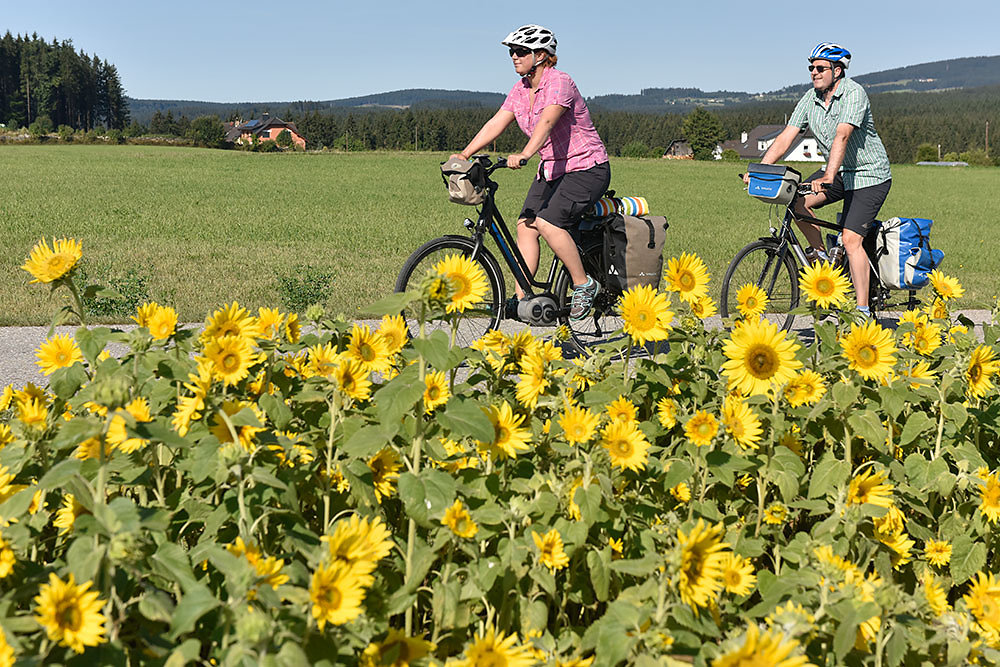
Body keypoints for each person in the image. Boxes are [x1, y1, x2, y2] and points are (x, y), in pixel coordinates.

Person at [451, 24, 611, 320]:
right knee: (526, 225)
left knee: (548, 223)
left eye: (521, 51)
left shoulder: (560, 82)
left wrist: (525, 154)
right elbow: (496, 123)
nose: (513, 56)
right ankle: (524, 298)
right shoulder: (521, 88)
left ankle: (584, 284)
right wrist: (464, 154)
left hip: (587, 168)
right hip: (552, 169)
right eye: (512, 51)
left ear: (541, 55)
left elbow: (547, 123)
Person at [749, 42, 892, 318]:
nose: (814, 72)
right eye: (811, 67)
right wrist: (760, 169)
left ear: (837, 71)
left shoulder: (853, 94)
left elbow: (842, 135)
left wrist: (827, 175)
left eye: (820, 68)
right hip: (839, 173)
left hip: (869, 175)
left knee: (851, 240)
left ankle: (862, 311)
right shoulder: (810, 98)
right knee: (795, 202)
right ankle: (823, 259)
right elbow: (787, 136)